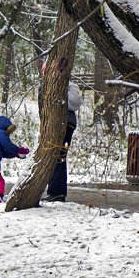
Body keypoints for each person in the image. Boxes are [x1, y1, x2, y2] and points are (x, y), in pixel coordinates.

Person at [44, 73, 82, 203]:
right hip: (69, 124)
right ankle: (57, 191)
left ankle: (56, 192)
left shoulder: (57, 85)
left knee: (56, 156)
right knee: (60, 156)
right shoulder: (70, 85)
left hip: (60, 123)